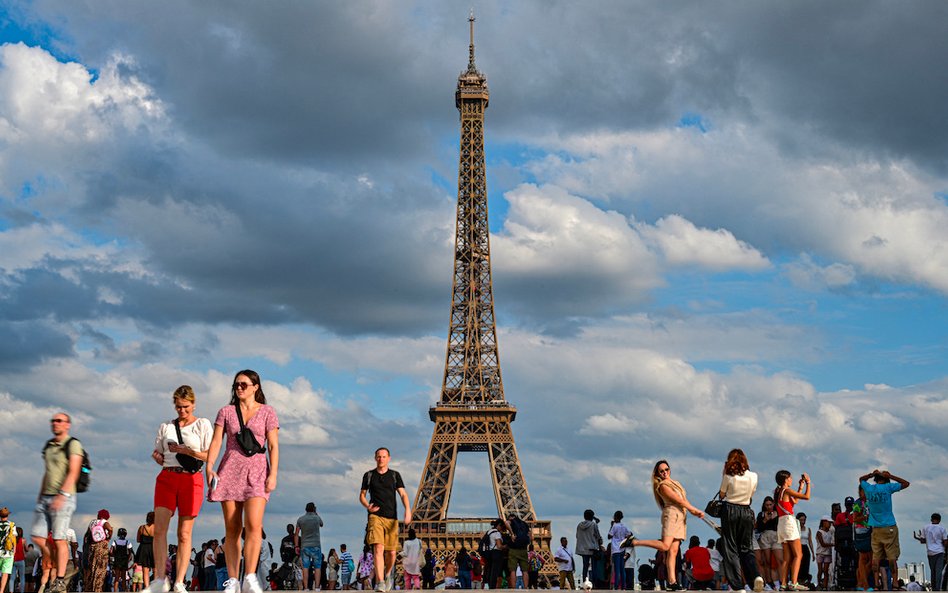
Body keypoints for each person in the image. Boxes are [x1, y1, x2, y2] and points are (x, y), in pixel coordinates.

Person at [207, 370, 281, 593]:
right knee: (232, 528)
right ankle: (233, 579)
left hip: (257, 470)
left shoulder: (268, 412)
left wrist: (273, 474)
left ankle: (249, 575)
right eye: (236, 385)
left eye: (244, 384)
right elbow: (217, 441)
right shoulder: (226, 412)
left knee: (254, 525)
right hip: (230, 470)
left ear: (255, 387)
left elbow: (273, 446)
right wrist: (209, 467)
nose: (239, 388)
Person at [143, 385, 212, 593]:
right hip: (167, 476)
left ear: (193, 404)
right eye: (179, 407)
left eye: (186, 407)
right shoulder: (166, 426)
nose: (182, 411)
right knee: (160, 530)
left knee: (184, 533)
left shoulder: (202, 424)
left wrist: (186, 450)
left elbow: (209, 454)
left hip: (191, 479)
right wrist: (157, 457)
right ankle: (160, 579)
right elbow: (159, 453)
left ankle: (180, 581)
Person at [627, 460, 704, 591]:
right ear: (657, 474)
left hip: (680, 517)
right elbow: (678, 500)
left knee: (673, 552)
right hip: (671, 516)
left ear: (670, 469)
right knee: (665, 546)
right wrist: (693, 509)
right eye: (661, 471)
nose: (664, 473)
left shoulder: (676, 483)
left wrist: (692, 510)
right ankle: (636, 542)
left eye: (666, 469)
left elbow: (683, 500)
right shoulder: (662, 486)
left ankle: (672, 582)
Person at [30, 413, 83, 593]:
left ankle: (60, 579)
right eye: (53, 420)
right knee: (37, 536)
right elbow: (48, 472)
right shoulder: (49, 445)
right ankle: (58, 562)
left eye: (59, 420)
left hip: (64, 496)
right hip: (46, 496)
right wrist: (40, 494)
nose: (55, 423)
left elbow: (74, 471)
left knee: (60, 538)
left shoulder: (72, 444)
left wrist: (62, 495)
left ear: (67, 425)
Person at [359, 447, 412, 592]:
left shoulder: (395, 475)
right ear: (375, 458)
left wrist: (408, 510)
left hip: (391, 518)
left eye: (383, 456)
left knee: (392, 552)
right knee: (378, 548)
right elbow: (362, 495)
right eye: (379, 456)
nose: (381, 459)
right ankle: (381, 581)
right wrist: (367, 506)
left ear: (389, 458)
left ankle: (388, 575)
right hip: (375, 516)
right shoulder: (369, 475)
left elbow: (403, 494)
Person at [717, 448, 762, 592]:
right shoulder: (754, 476)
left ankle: (737, 586)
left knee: (731, 549)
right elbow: (751, 494)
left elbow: (722, 495)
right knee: (747, 548)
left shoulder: (728, 477)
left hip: (730, 510)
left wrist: (724, 473)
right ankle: (756, 577)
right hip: (747, 511)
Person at [859, 469, 910, 591]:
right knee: (892, 557)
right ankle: (895, 584)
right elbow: (906, 483)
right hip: (889, 527)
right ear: (886, 479)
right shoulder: (888, 487)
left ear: (875, 479)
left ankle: (876, 585)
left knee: (876, 558)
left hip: (875, 528)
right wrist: (891, 475)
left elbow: (861, 480)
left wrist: (871, 474)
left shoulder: (869, 489)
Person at [773, 470, 811, 591]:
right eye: (789, 478)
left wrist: (800, 487)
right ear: (785, 480)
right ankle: (794, 582)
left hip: (782, 523)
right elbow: (807, 497)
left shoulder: (779, 491)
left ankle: (783, 584)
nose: (791, 480)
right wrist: (808, 483)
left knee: (787, 557)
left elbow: (793, 502)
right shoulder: (787, 491)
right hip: (789, 522)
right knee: (798, 555)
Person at [295, 503, 324, 591]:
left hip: (304, 546)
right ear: (314, 509)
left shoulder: (300, 519)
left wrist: (296, 546)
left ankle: (306, 587)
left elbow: (296, 534)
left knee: (305, 567)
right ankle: (317, 587)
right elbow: (322, 524)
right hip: (316, 545)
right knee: (317, 567)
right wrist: (316, 513)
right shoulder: (317, 518)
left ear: (305, 509)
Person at [914, 513, 947, 591]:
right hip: (940, 552)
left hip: (930, 553)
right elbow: (945, 542)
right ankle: (937, 588)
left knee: (933, 571)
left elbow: (922, 541)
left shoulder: (925, 528)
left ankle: (934, 588)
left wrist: (918, 538)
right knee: (938, 571)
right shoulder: (942, 529)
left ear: (931, 519)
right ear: (939, 520)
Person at [83, 509, 113, 592]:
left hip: (92, 547)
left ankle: (88, 588)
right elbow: (110, 529)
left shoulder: (92, 522)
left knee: (92, 568)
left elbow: (87, 535)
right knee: (100, 568)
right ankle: (97, 588)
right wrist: (108, 538)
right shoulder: (104, 522)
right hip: (101, 546)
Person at [756, 497, 781, 589]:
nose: (769, 507)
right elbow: (759, 527)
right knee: (767, 561)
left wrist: (775, 517)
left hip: (776, 535)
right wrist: (765, 520)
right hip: (765, 536)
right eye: (767, 505)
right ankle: (769, 582)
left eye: (770, 504)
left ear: (773, 504)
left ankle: (781, 582)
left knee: (779, 560)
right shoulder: (761, 514)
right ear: (764, 505)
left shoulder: (778, 513)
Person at [575, 511, 602, 584]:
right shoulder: (593, 525)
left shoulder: (579, 525)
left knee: (585, 567)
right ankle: (594, 583)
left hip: (583, 549)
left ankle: (584, 582)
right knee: (594, 567)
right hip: (592, 549)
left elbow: (577, 536)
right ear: (592, 517)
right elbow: (598, 536)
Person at [607, 512, 631, 590]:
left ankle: (616, 586)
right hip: (622, 549)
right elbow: (629, 534)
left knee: (617, 569)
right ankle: (623, 586)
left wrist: (611, 526)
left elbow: (609, 536)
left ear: (615, 517)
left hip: (615, 550)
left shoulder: (614, 526)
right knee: (622, 569)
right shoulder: (624, 526)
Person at [135, 513, 156, 589]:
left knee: (145, 570)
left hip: (143, 549)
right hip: (154, 548)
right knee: (155, 569)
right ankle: (155, 586)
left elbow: (138, 540)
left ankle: (147, 587)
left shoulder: (142, 528)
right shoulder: (157, 528)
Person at [815, 517, 833, 591]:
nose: (830, 524)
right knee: (820, 570)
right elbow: (822, 544)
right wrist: (832, 544)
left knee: (826, 571)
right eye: (829, 522)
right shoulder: (819, 532)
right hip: (820, 553)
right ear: (824, 522)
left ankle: (825, 586)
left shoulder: (830, 532)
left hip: (827, 553)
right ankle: (819, 584)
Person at [796, 513, 813, 587]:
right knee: (798, 565)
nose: (803, 522)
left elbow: (810, 541)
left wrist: (813, 552)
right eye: (801, 520)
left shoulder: (808, 529)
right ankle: (797, 580)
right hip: (798, 548)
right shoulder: (795, 529)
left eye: (804, 520)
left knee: (806, 566)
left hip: (805, 548)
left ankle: (804, 580)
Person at [0, 508, 15, 593]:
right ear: (8, 515)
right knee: (5, 573)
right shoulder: (11, 525)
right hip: (8, 553)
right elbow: (13, 541)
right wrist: (14, 552)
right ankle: (1, 591)